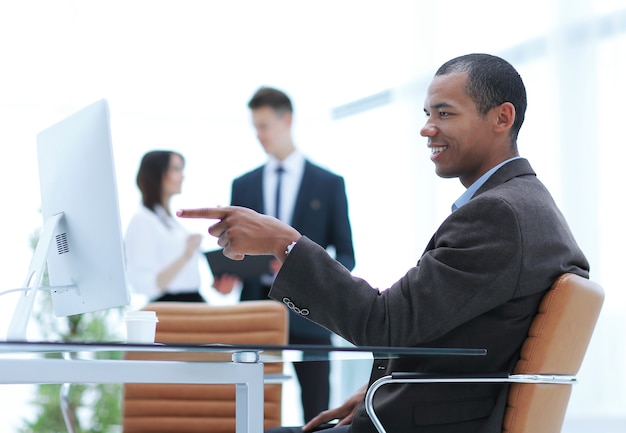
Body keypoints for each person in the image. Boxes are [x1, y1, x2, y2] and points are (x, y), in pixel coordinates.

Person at [177, 53, 590, 433]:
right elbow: (452, 332)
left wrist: (285, 243)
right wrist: (377, 392)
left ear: (502, 118)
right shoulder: (522, 204)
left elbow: (385, 323)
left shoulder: (498, 215)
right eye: (428, 113)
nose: (427, 128)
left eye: (444, 114)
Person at [214, 86, 356, 422]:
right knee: (251, 409)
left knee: (318, 409)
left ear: (286, 120)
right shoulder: (243, 185)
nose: (259, 135)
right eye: (255, 127)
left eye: (264, 126)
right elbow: (234, 244)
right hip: (255, 312)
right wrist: (228, 273)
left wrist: (304, 267)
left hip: (312, 313)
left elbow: (347, 255)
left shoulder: (329, 184)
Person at [125, 150, 204, 303]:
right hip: (171, 308)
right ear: (157, 174)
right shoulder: (142, 221)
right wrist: (186, 254)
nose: (182, 176)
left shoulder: (171, 222)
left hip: (193, 302)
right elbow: (144, 285)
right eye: (176, 169)